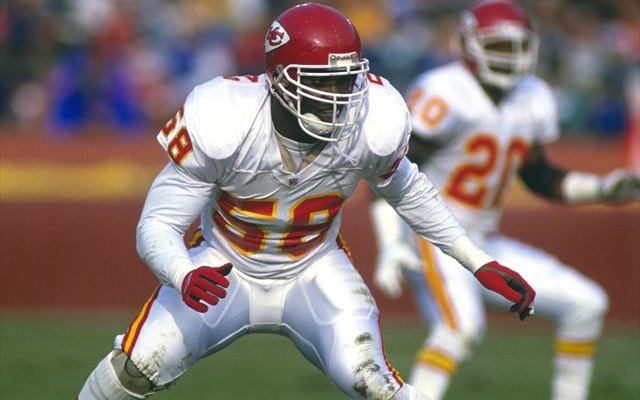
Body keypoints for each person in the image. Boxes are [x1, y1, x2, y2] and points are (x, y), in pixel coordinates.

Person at [77, 3, 537, 400]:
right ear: (278, 78)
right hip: (222, 266)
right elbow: (156, 225)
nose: (338, 96)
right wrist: (182, 272)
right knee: (134, 368)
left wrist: (476, 261)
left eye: (345, 80)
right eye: (323, 81)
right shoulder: (223, 115)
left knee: (374, 382)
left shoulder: (374, 118)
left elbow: (409, 190)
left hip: (314, 268)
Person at [369, 1, 640, 400]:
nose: (509, 58)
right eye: (497, 46)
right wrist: (391, 241)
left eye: (517, 47)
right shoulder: (444, 90)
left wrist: (600, 189)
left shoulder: (533, 95)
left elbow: (540, 177)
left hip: (484, 240)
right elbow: (390, 174)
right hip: (433, 237)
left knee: (587, 304)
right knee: (460, 328)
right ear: (468, 45)